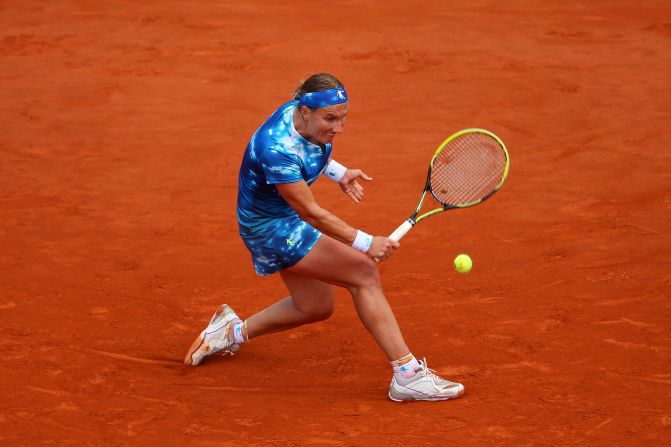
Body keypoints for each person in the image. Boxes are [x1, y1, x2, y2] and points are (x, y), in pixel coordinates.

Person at [184, 73, 464, 402]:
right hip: (271, 228)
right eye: (330, 119)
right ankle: (407, 374)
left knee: (314, 306)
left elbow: (314, 152)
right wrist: (365, 243)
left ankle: (229, 333)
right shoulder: (275, 148)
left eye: (343, 118)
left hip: (279, 217)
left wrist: (340, 173)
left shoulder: (302, 116)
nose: (338, 128)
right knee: (364, 273)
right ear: (305, 111)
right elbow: (311, 213)